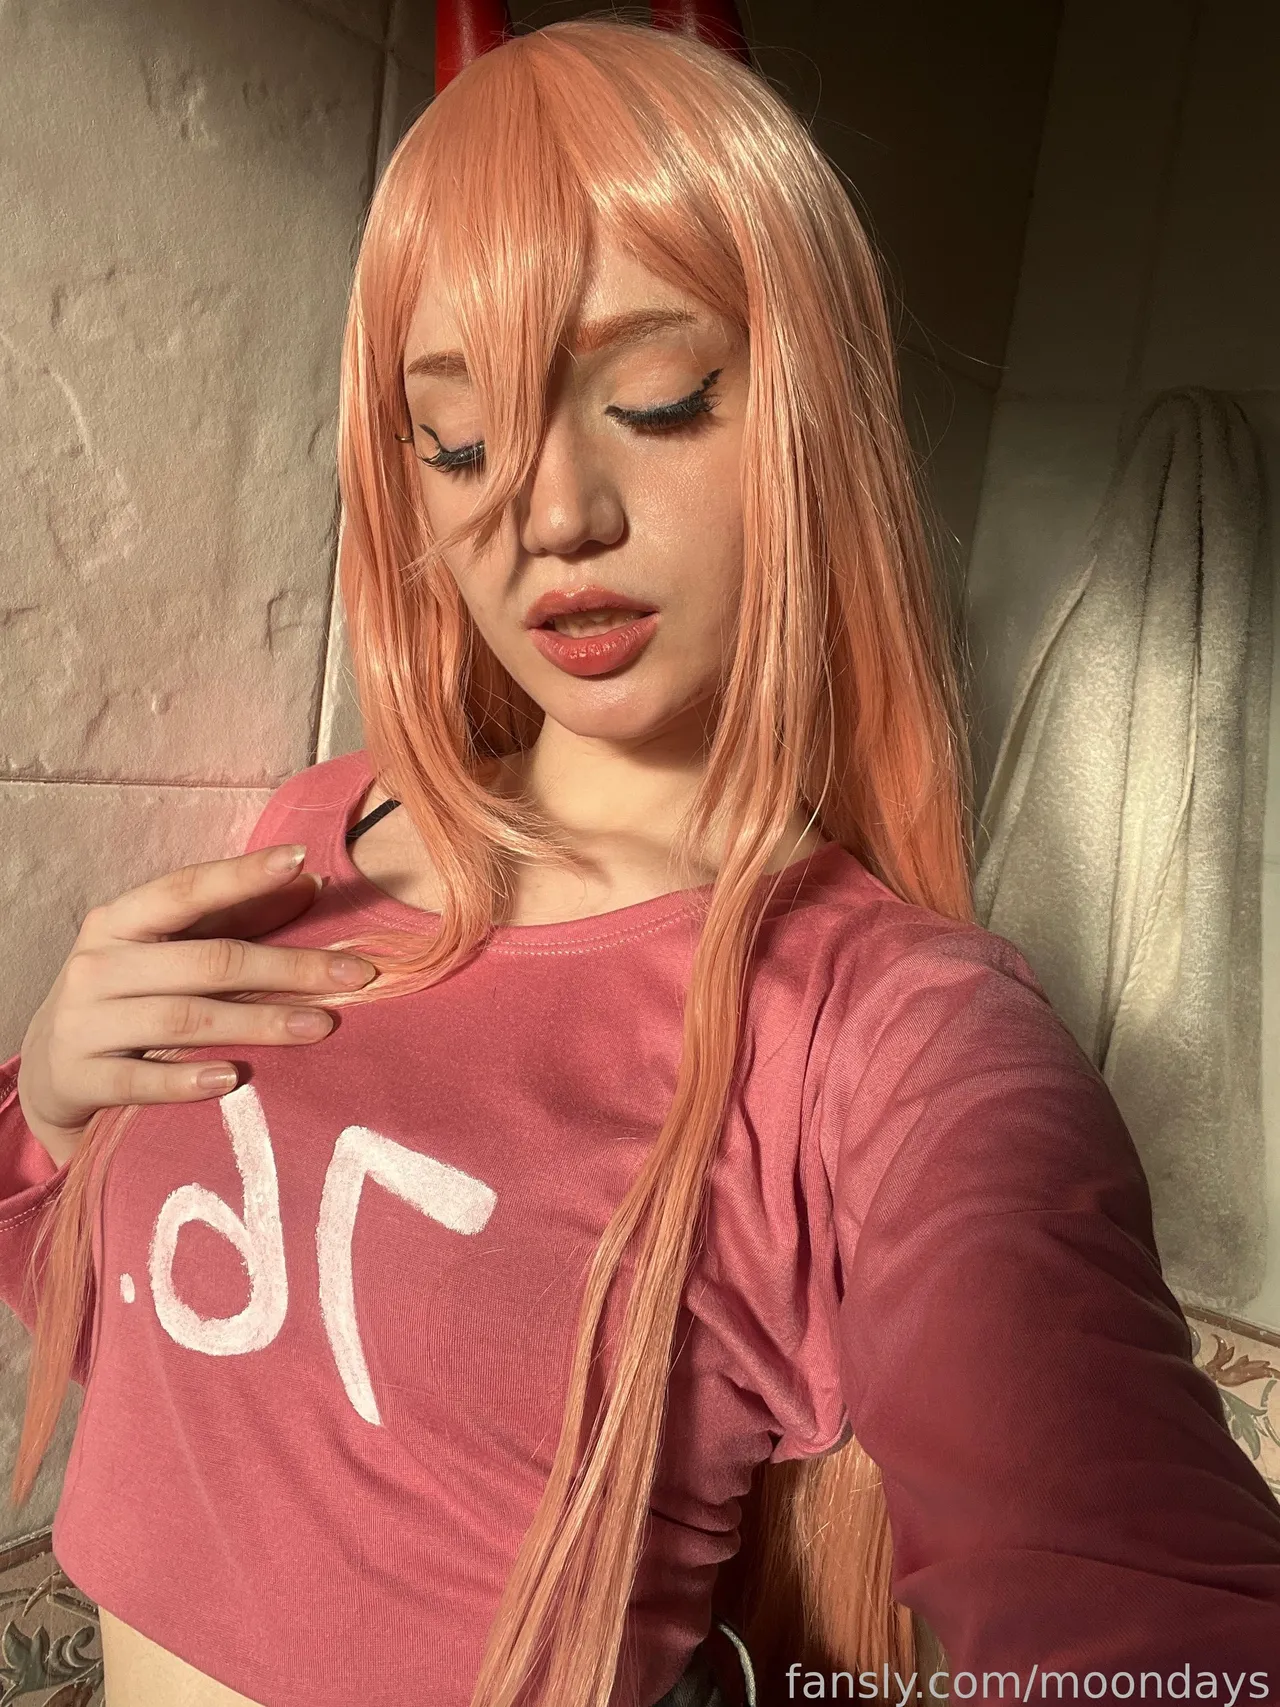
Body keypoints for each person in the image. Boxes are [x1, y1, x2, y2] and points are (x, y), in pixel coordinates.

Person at [2, 13, 1279, 1707]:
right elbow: (183, 1349)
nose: (550, 515)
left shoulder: (890, 1034)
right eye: (459, 443)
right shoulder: (309, 835)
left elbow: (1146, 1612)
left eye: (654, 401)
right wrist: (50, 1119)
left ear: (810, 414)